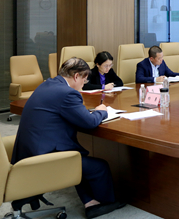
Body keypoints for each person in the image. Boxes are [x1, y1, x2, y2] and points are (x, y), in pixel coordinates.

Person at [11, 58, 125, 219]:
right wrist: (101, 111)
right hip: (42, 157)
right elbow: (90, 122)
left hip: (28, 151)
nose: (84, 84)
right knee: (99, 167)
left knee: (77, 158)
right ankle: (104, 203)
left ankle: (90, 202)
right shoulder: (68, 93)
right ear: (77, 76)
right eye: (84, 80)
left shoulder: (47, 84)